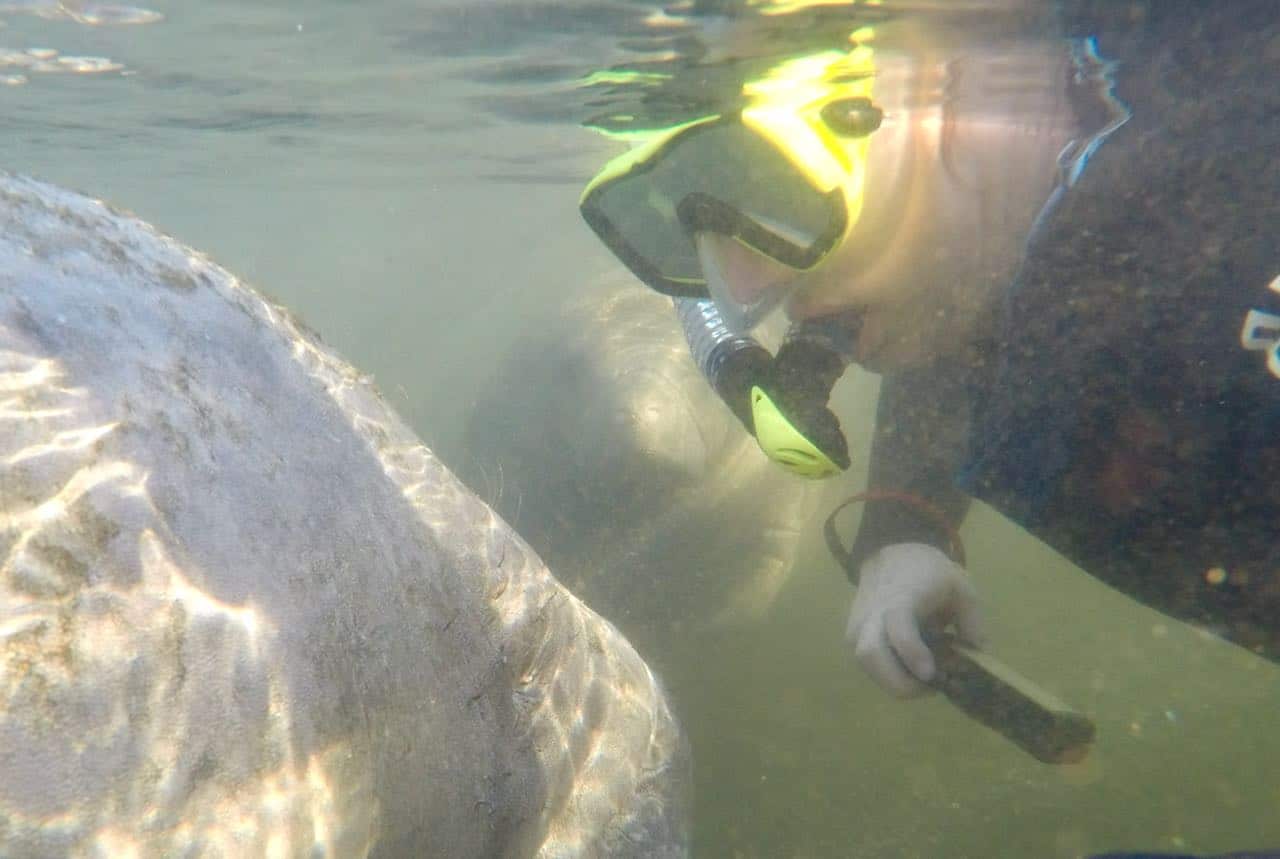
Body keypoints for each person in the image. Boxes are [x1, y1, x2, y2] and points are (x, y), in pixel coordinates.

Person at [579, 0, 1280, 699]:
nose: (749, 293)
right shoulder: (1045, 247)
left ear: (942, 130)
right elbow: (967, 315)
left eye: (780, 192)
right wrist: (906, 523)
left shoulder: (1219, 220)